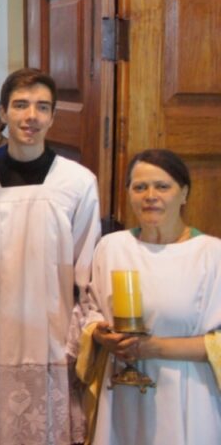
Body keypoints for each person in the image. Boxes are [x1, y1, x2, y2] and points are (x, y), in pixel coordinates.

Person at [0, 68, 101, 445]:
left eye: (42, 107)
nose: (31, 116)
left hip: (52, 331)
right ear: (3, 114)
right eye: (21, 105)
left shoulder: (78, 183)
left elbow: (88, 267)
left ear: (52, 117)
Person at [77, 149, 221, 445]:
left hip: (187, 398)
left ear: (184, 193)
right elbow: (90, 311)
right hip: (120, 397)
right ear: (128, 193)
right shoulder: (111, 247)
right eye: (140, 187)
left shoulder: (212, 255)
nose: (150, 195)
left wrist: (153, 348)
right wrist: (99, 334)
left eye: (162, 186)